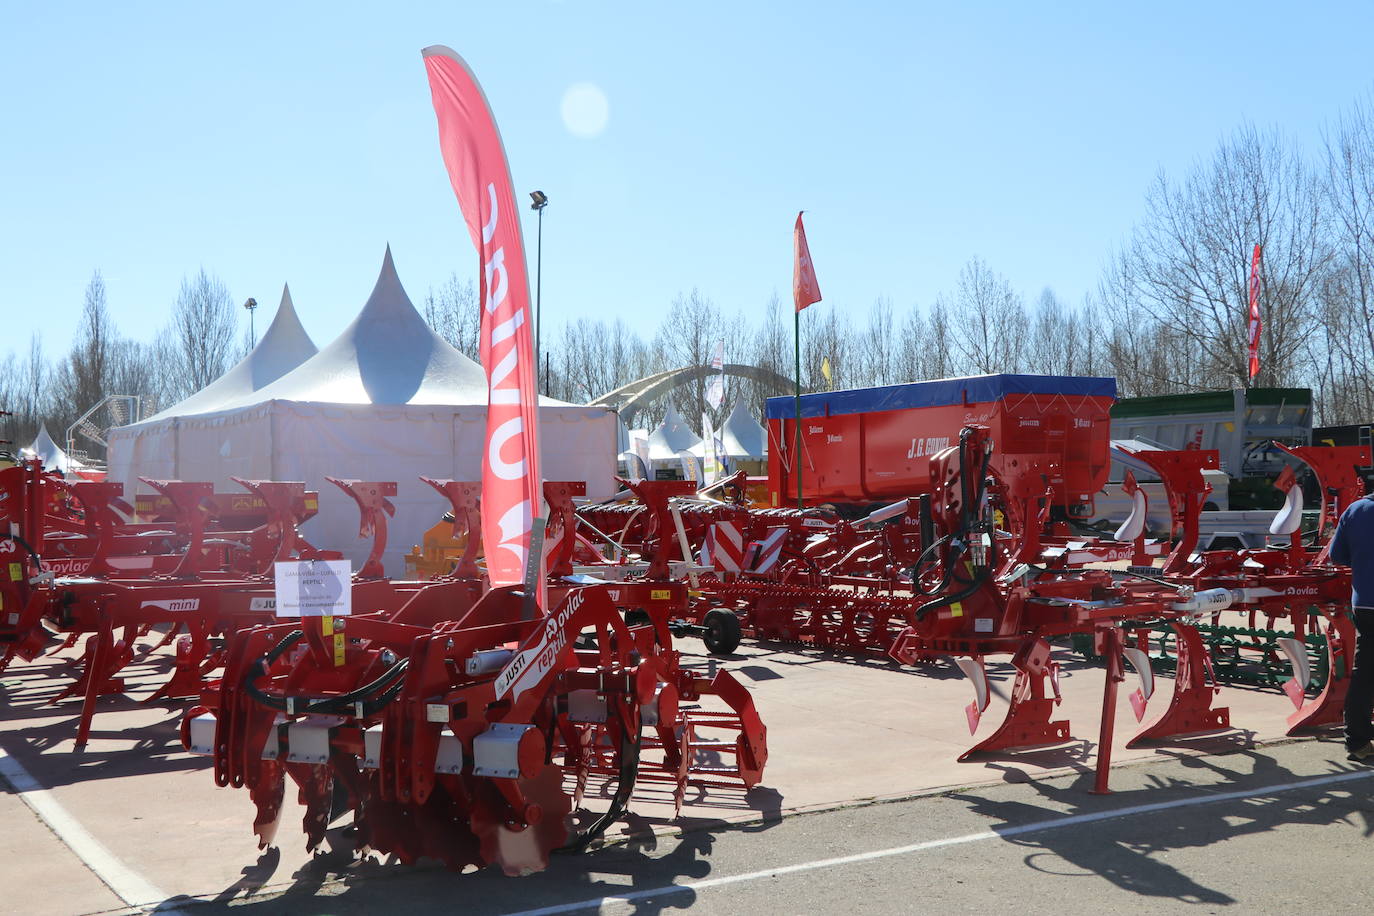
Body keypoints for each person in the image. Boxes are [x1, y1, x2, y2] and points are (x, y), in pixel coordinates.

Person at [1330, 494, 1374, 761]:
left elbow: (1338, 556)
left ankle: (1357, 743)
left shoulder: (1356, 509)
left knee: (1363, 674)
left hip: (1365, 604)